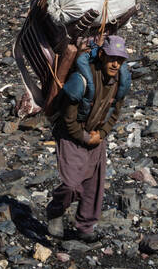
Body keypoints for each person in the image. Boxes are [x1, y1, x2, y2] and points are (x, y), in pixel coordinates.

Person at [45, 36, 131, 244]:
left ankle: (85, 227)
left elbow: (115, 112)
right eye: (111, 58)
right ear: (102, 55)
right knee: (72, 185)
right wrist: (84, 137)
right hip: (71, 134)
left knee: (94, 185)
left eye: (119, 60)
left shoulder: (120, 81)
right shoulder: (81, 80)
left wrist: (101, 134)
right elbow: (68, 118)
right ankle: (55, 212)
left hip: (96, 135)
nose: (115, 64)